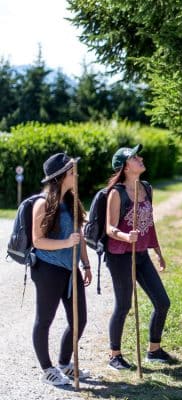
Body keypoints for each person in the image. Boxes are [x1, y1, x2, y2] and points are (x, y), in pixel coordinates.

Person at [104, 144, 173, 370]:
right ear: (125, 167)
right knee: (123, 305)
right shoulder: (117, 193)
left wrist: (158, 252)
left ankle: (154, 350)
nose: (140, 158)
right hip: (120, 255)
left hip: (141, 254)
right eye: (134, 157)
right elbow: (109, 228)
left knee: (162, 302)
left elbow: (149, 225)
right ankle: (115, 355)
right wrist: (126, 236)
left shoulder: (146, 188)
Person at [31, 153, 92, 385]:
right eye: (72, 171)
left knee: (80, 319)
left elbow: (80, 236)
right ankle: (47, 370)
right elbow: (38, 241)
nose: (76, 174)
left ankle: (64, 364)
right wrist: (67, 243)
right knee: (44, 320)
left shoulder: (71, 200)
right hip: (48, 269)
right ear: (61, 176)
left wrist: (85, 263)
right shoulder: (43, 203)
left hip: (70, 269)